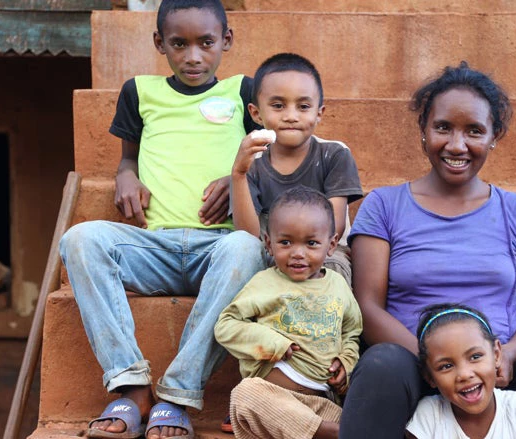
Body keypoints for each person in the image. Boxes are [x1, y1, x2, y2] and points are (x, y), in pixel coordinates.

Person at [338, 62, 516, 439]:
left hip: (498, 374)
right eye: (443, 128)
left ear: (493, 137)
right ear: (424, 131)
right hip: (414, 366)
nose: (457, 145)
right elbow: (368, 307)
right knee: (380, 366)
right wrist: (435, 363)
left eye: (474, 131)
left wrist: (508, 355)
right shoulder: (384, 207)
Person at [58, 1, 266, 438]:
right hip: (154, 247)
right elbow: (127, 160)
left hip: (220, 251)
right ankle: (131, 386)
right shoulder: (140, 91)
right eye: (179, 44)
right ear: (160, 44)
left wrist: (239, 177)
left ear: (226, 41)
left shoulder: (243, 91)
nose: (193, 55)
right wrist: (126, 177)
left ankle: (177, 394)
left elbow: (275, 160)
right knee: (80, 239)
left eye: (206, 42)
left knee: (248, 246)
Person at [214, 186, 363, 439]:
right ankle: (327, 434)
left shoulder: (337, 285)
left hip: (321, 405)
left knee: (358, 416)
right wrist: (271, 343)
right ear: (269, 244)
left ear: (331, 245)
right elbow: (226, 325)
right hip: (272, 401)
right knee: (244, 394)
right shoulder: (263, 283)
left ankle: (319, 430)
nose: (298, 253)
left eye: (311, 243)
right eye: (286, 242)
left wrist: (346, 363)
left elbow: (352, 331)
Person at [230, 52, 363, 286]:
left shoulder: (334, 154)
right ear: (256, 113)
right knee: (252, 270)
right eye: (278, 106)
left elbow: (335, 224)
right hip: (274, 255)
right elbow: (248, 236)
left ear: (319, 113)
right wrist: (239, 175)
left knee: (332, 272)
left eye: (303, 106)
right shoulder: (253, 162)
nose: (291, 116)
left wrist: (304, 253)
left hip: (324, 254)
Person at [406, 303, 516, 439]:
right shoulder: (428, 416)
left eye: (475, 357)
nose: (464, 374)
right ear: (429, 377)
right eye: (446, 366)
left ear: (496, 354)